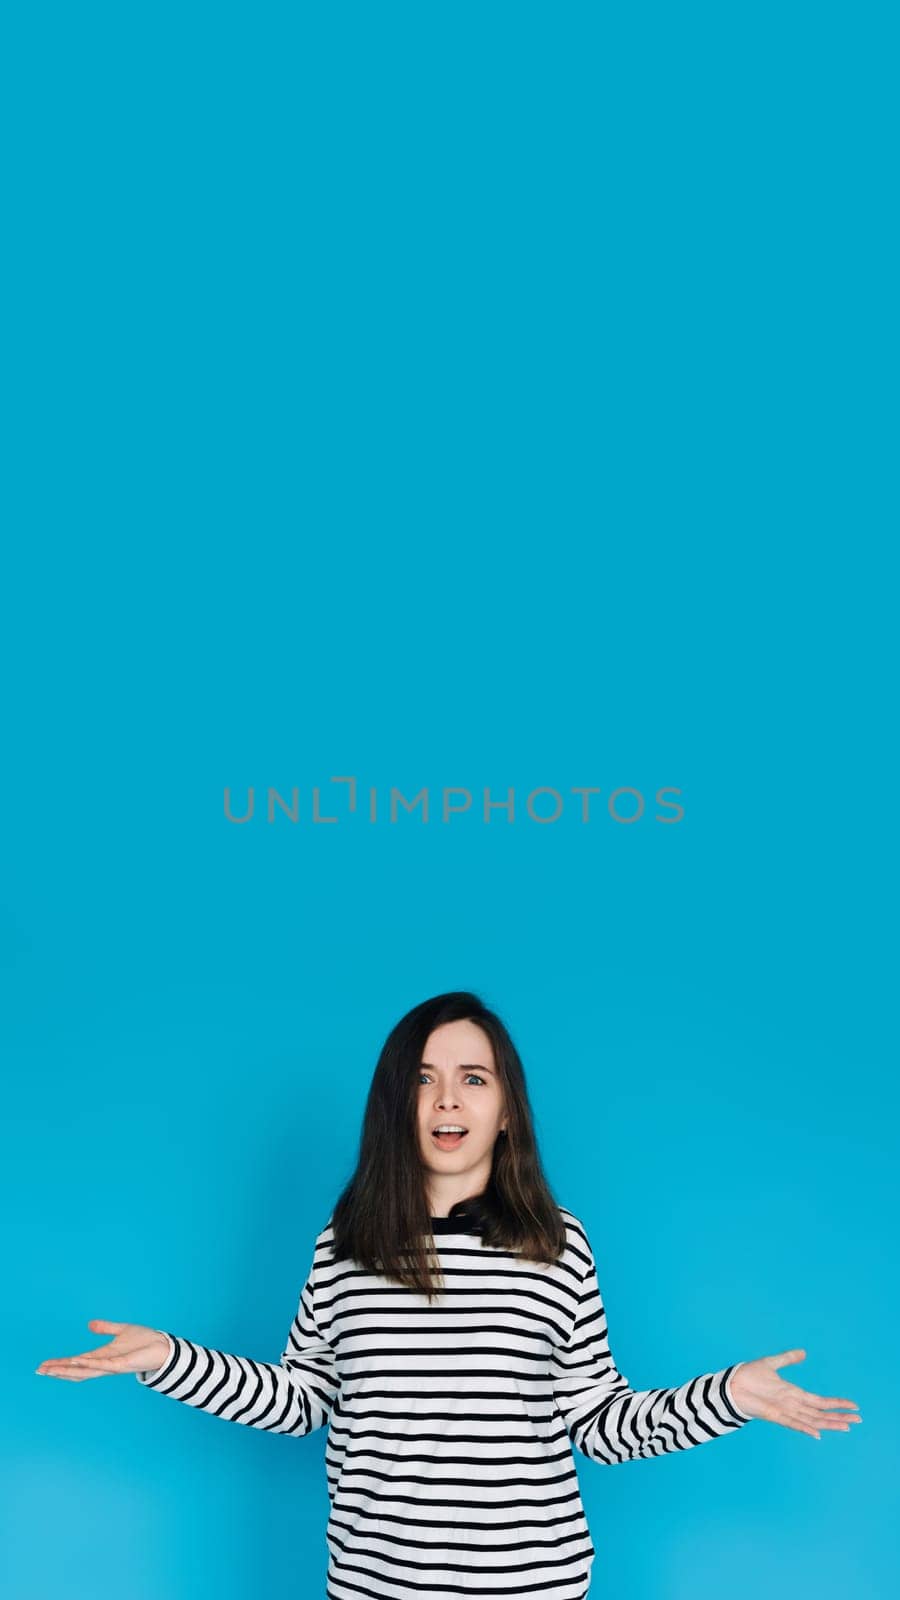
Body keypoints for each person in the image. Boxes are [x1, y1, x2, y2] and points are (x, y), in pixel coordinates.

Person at [36, 990, 861, 1599]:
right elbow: (301, 1399)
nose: (448, 1099)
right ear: (398, 1107)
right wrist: (165, 1359)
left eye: (474, 1078)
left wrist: (729, 1396)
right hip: (375, 1585)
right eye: (425, 1079)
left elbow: (600, 1424)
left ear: (507, 1110)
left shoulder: (556, 1243)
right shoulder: (348, 1242)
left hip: (533, 1586)